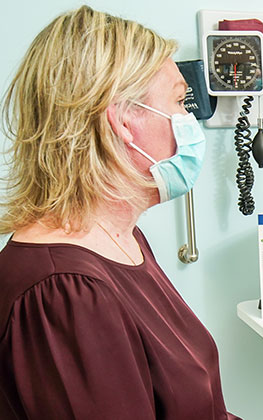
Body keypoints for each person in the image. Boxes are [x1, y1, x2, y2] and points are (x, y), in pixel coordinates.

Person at [0, 6, 240, 419]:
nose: (190, 121)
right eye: (181, 103)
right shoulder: (65, 294)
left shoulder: (120, 241)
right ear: (123, 123)